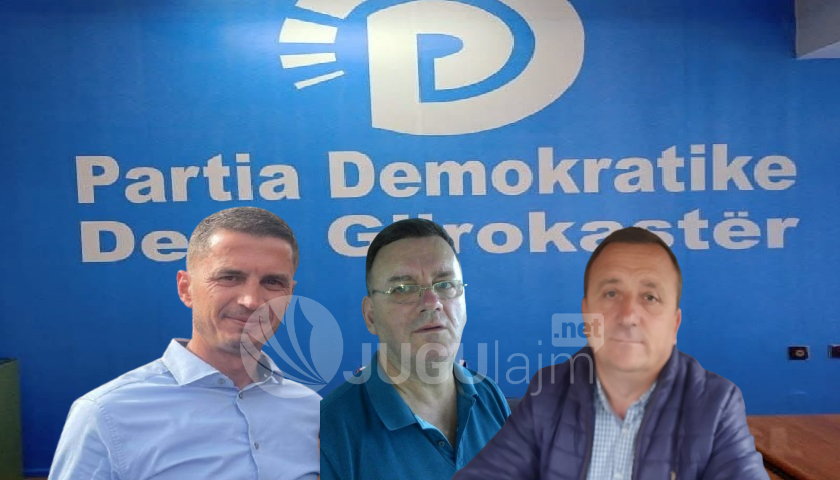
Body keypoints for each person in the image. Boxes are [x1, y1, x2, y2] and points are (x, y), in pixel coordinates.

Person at [454, 227, 769, 480]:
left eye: (650, 296)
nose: (628, 315)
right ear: (586, 314)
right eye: (611, 293)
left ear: (674, 324)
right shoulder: (549, 391)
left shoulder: (715, 404)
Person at [50, 207, 320, 480]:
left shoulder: (314, 412)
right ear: (185, 288)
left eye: (272, 282)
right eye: (229, 278)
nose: (250, 300)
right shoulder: (106, 414)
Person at [320, 219, 510, 480]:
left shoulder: (488, 395)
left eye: (445, 284)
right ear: (371, 316)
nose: (431, 302)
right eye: (403, 289)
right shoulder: (330, 432)